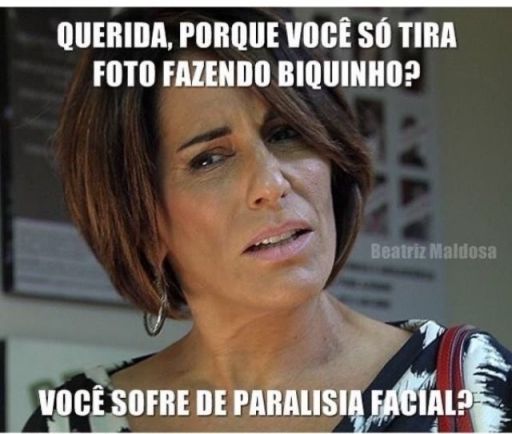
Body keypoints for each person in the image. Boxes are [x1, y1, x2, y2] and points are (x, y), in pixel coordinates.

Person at [23, 8, 512, 433]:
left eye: (284, 133)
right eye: (209, 159)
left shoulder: (471, 386)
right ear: (141, 220)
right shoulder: (75, 421)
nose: (271, 182)